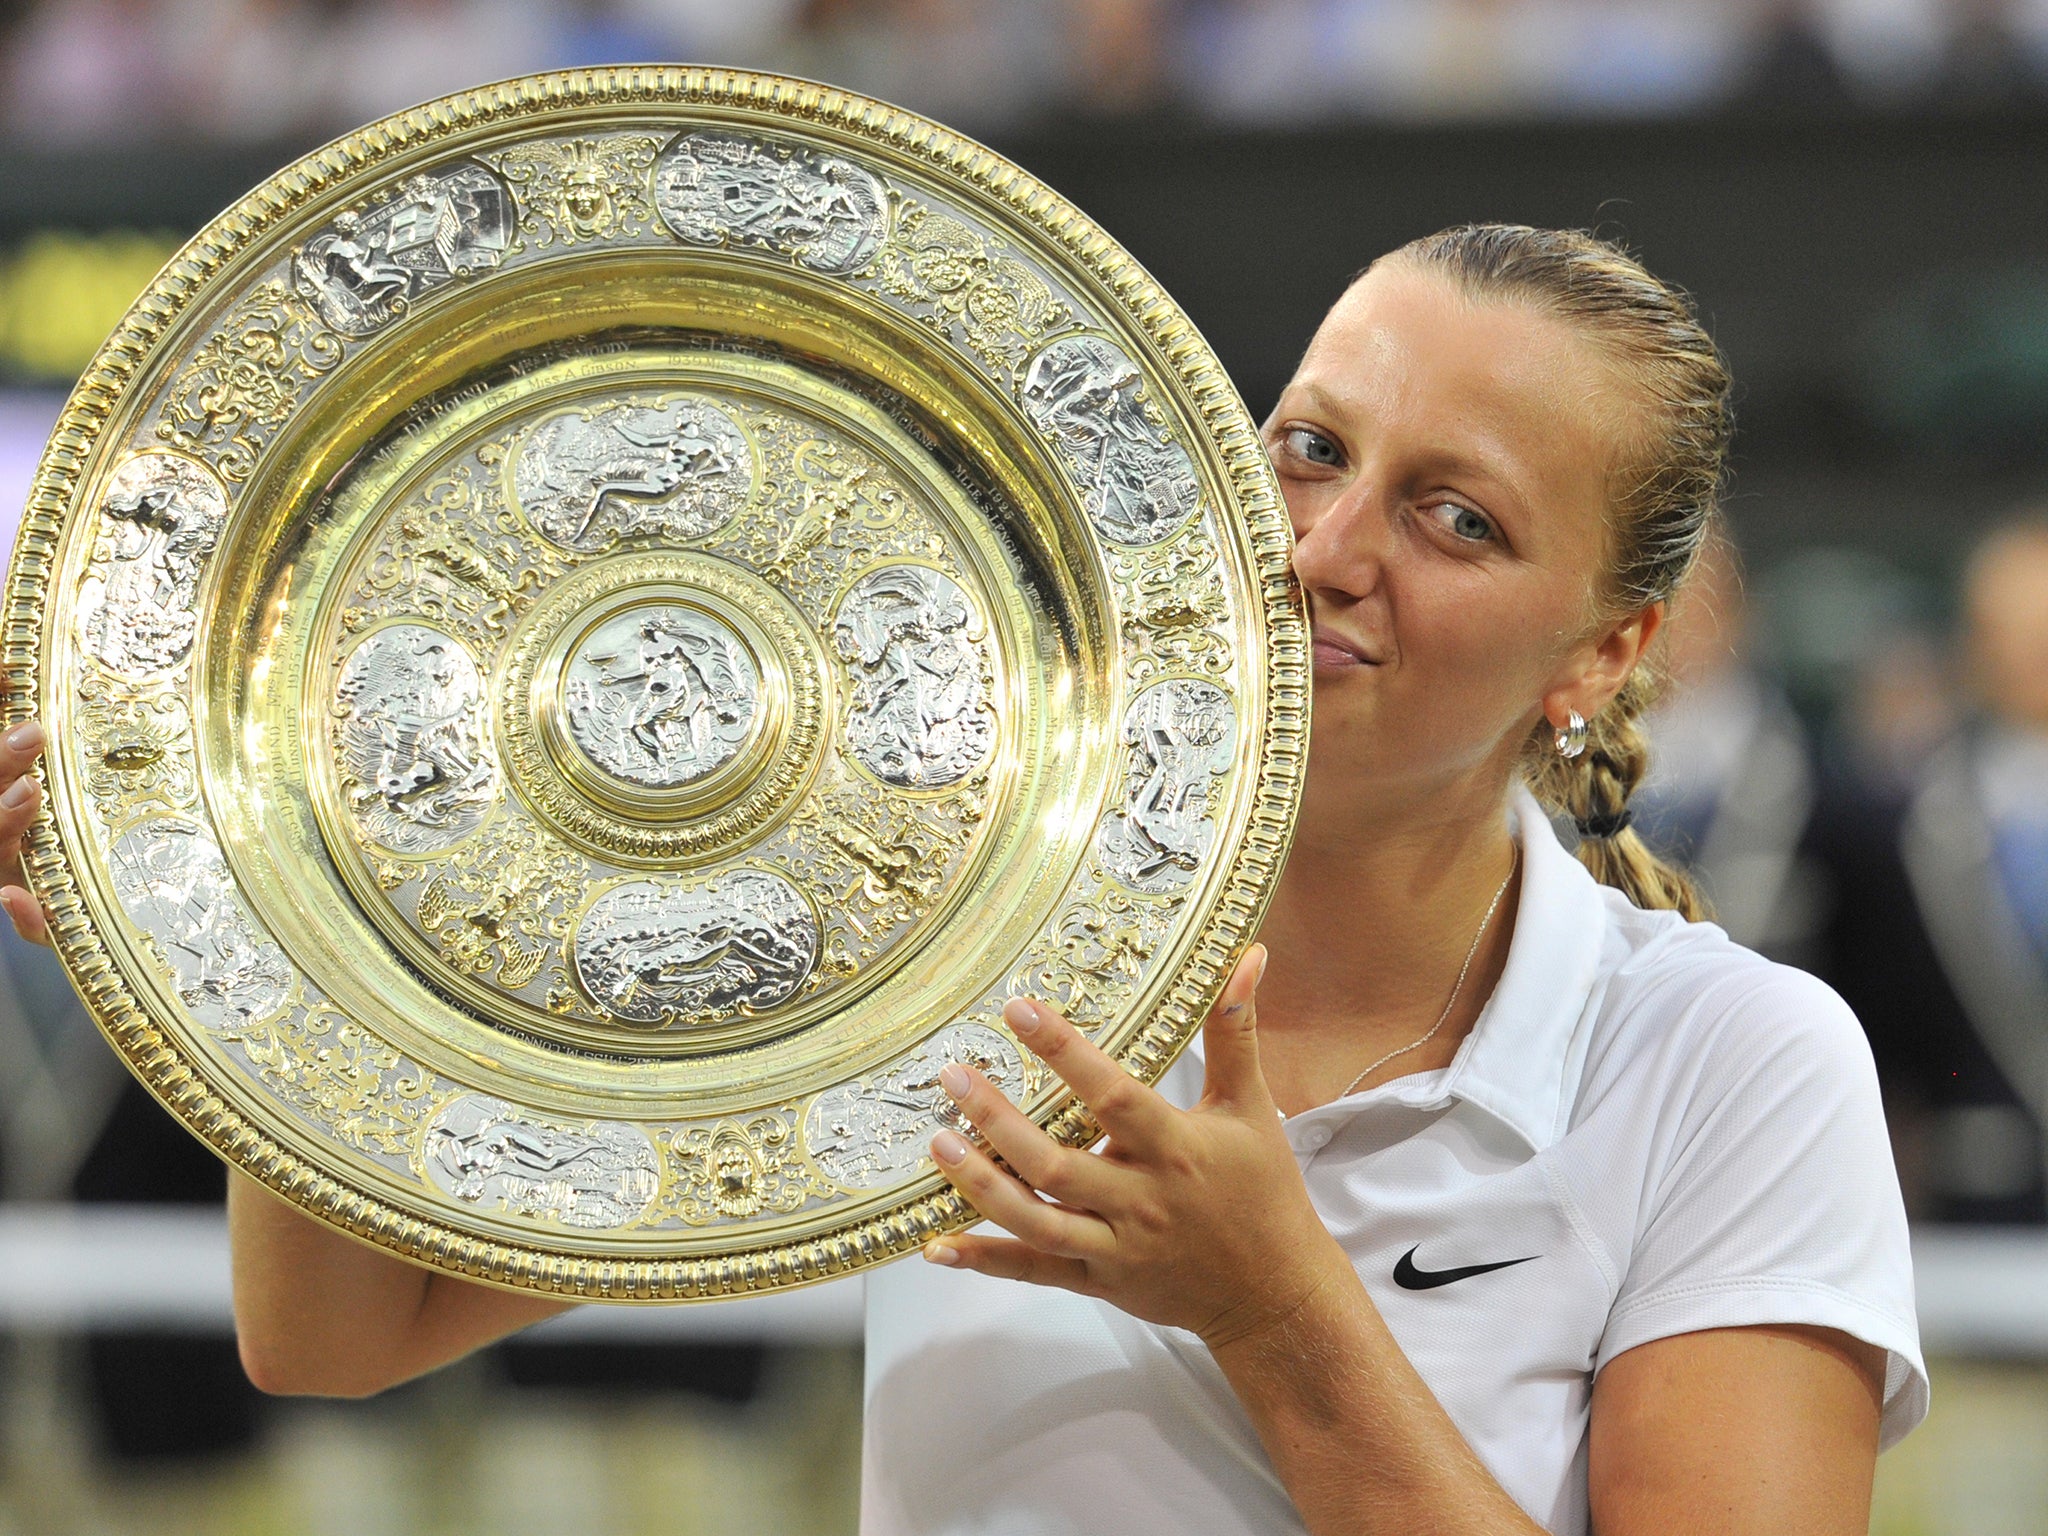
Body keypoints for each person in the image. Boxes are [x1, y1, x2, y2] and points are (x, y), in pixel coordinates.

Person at [0, 225, 1924, 1535]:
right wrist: (248, 936)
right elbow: (336, 1335)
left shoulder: (1734, 1061)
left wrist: (1269, 1312)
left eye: (1457, 516)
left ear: (1606, 651)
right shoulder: (946, 934)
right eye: (1309, 448)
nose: (1327, 546)